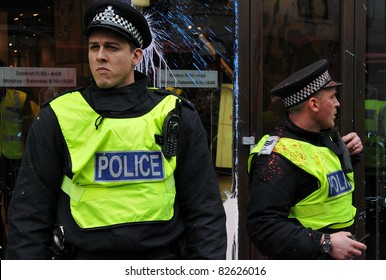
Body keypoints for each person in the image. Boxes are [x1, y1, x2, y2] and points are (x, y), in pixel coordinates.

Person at [5, 0, 227, 260]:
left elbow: (204, 211)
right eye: (94, 47)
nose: (100, 55)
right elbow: (29, 215)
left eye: (111, 47)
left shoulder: (175, 114)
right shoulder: (58, 116)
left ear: (136, 56)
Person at [246, 59, 367, 260]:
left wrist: (350, 156)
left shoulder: (320, 138)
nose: (338, 104)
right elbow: (264, 227)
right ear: (314, 104)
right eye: (333, 97)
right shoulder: (277, 157)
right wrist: (325, 243)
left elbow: (320, 188)